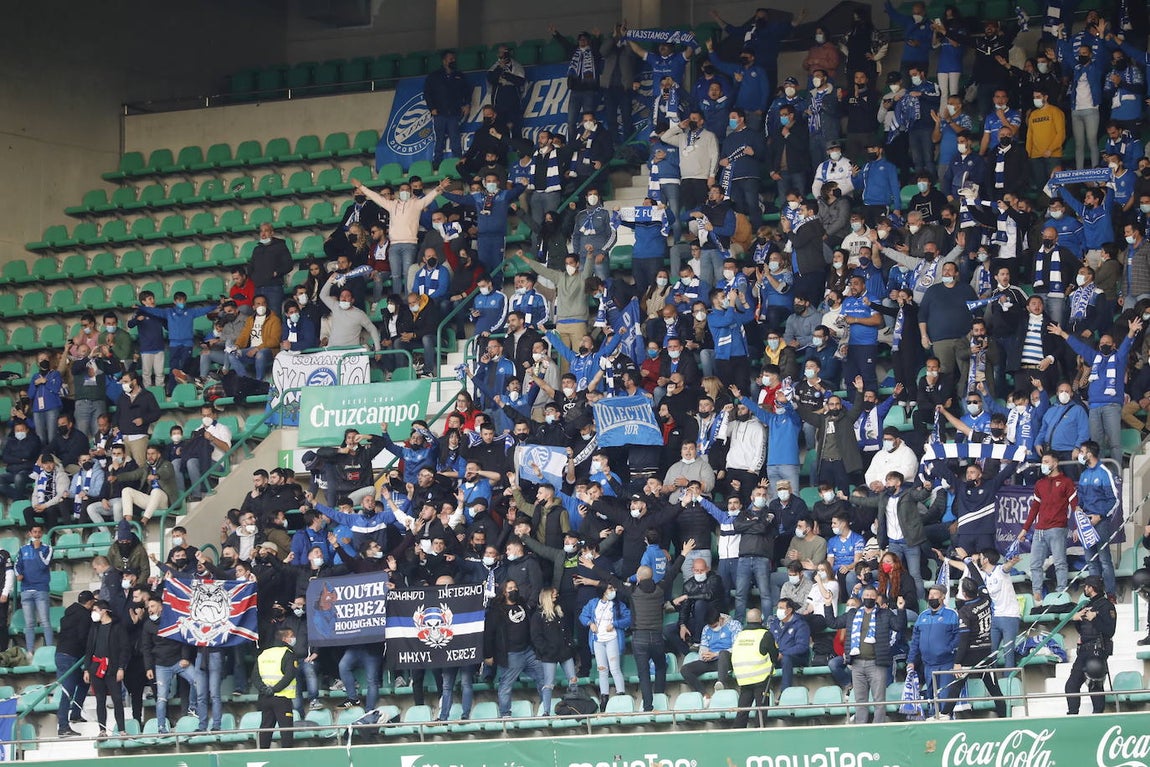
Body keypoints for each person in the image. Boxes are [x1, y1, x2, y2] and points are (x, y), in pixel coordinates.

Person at [822, 586, 905, 723]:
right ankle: (861, 726)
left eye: (872, 596)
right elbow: (833, 623)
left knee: (879, 700)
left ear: (876, 598)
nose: (869, 598)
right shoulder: (852, 614)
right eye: (866, 595)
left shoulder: (885, 614)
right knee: (860, 700)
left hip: (877, 663)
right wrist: (828, 604)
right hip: (857, 663)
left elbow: (899, 626)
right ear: (862, 597)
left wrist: (901, 609)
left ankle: (878, 726)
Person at [939, 578, 1008, 718]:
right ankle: (1004, 716)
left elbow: (964, 639)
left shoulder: (965, 611)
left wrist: (957, 662)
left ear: (964, 594)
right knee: (994, 688)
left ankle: (945, 714)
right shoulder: (986, 600)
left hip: (971, 654)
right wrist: (970, 565)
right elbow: (981, 581)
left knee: (957, 685)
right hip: (986, 652)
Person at [485, 580, 549, 718]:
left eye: (515, 587)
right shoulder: (496, 611)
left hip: (528, 651)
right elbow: (488, 634)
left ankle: (546, 708)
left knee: (544, 677)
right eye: (510, 588)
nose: (514, 590)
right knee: (506, 685)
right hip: (511, 654)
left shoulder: (522, 604)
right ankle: (505, 714)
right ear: (504, 592)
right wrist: (488, 655)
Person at [1018, 452, 1078, 600]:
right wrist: (1025, 529)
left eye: (1046, 461)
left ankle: (1061, 593)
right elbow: (1034, 508)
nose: (1043, 464)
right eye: (1042, 461)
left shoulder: (1066, 482)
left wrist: (1077, 527)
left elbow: (1075, 506)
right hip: (1039, 530)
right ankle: (1037, 594)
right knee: (1035, 564)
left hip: (1058, 529)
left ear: (1055, 464)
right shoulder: (1040, 483)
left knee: (1060, 563)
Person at [141, 594, 200, 733]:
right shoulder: (148, 625)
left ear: (161, 607)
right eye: (148, 607)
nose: (150, 609)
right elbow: (146, 648)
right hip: (161, 665)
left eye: (152, 606)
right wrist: (148, 668)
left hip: (179, 661)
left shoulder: (173, 619)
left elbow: (184, 639)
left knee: (197, 681)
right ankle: (161, 727)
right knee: (161, 698)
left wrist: (185, 657)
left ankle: (192, 708)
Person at [1065, 575, 1116, 715]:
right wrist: (1076, 619)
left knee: (1095, 685)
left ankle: (1097, 716)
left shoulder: (1106, 605)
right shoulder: (1086, 604)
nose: (1085, 589)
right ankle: (1072, 715)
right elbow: (1082, 629)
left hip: (1097, 650)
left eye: (1086, 586)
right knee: (1071, 685)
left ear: (1091, 588)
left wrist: (1095, 618)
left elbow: (1109, 631)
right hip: (1083, 650)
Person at [1077, 440, 1119, 600]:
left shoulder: (1104, 472)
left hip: (1101, 522)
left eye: (1082, 451)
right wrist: (1079, 514)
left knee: (1104, 559)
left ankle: (1111, 594)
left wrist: (1099, 516)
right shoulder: (1084, 474)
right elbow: (1080, 501)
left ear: (1090, 453)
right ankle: (1096, 596)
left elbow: (1114, 500)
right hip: (1086, 523)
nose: (1079, 454)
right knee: (1091, 561)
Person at [580, 581, 632, 708]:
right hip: (598, 640)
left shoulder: (618, 604)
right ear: (603, 591)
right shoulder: (593, 603)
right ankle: (604, 698)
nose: (613, 590)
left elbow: (629, 618)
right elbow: (583, 615)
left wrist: (615, 624)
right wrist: (590, 623)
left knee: (615, 669)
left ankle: (621, 694)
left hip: (612, 639)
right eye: (610, 588)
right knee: (602, 670)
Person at [907, 584, 959, 709]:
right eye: (930, 594)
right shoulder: (922, 616)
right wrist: (911, 661)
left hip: (946, 664)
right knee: (931, 697)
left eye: (935, 594)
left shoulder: (951, 614)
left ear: (942, 597)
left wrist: (947, 649)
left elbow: (958, 637)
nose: (931, 597)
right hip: (928, 665)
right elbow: (915, 641)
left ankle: (946, 717)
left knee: (944, 698)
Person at [84, 599, 129, 738]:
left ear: (103, 611)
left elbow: (125, 649)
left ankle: (121, 729)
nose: (93, 613)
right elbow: (89, 649)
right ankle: (102, 730)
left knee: (117, 699)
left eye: (95, 610)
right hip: (96, 667)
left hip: (113, 668)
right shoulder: (94, 627)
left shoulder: (117, 627)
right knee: (100, 699)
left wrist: (121, 667)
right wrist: (86, 669)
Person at [54, 590, 95, 737]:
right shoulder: (84, 616)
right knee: (67, 692)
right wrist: (90, 652)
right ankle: (63, 726)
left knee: (84, 682)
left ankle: (75, 714)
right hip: (71, 657)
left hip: (60, 654)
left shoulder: (68, 614)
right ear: (90, 602)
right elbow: (83, 637)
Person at [730, 607, 778, 729]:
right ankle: (759, 731)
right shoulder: (764, 634)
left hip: (743, 678)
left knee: (742, 709)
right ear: (761, 619)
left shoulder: (740, 635)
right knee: (761, 709)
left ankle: (737, 731)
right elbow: (774, 654)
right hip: (761, 677)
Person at [424, 50, 471, 172]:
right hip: (439, 113)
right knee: (439, 139)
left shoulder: (459, 75)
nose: (453, 61)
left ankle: (459, 161)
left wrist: (467, 104)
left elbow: (467, 91)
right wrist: (432, 108)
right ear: (444, 61)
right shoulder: (434, 76)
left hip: (454, 113)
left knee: (455, 139)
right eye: (450, 59)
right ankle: (437, 162)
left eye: (454, 59)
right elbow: (427, 93)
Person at [680, 607, 741, 698]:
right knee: (685, 669)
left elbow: (737, 647)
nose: (713, 628)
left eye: (715, 626)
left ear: (720, 619)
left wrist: (716, 654)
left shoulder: (734, 625)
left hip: (728, 659)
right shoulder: (706, 629)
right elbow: (703, 647)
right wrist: (704, 655)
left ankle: (721, 684)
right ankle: (704, 694)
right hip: (712, 661)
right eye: (710, 627)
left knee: (723, 654)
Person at [256, 628, 298, 749]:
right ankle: (287, 756)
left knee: (266, 728)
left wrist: (264, 689)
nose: (293, 638)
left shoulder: (264, 653)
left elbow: (255, 676)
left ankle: (262, 753)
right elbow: (289, 675)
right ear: (284, 639)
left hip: (265, 697)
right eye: (291, 636)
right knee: (286, 729)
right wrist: (274, 689)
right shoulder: (288, 653)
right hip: (282, 698)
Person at [15, 523, 54, 649]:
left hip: (41, 589)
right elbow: (17, 565)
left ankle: (49, 649)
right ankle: (30, 651)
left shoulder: (47, 548)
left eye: (39, 532)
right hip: (26, 590)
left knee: (45, 621)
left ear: (42, 534)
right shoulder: (23, 549)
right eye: (34, 532)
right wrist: (19, 574)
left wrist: (37, 550)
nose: (36, 535)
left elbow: (44, 565)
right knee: (29, 624)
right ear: (30, 533)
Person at [250, 222, 294, 315]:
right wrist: (255, 278)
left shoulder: (280, 246)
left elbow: (289, 265)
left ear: (272, 233)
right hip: (259, 288)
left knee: (274, 315)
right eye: (261, 231)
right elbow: (251, 267)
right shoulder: (257, 249)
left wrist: (276, 273)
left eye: (266, 231)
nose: (263, 234)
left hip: (274, 287)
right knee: (260, 316)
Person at [768, 597, 810, 689]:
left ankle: (785, 691)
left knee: (786, 659)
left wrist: (783, 653)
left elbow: (802, 646)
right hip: (777, 656)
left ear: (789, 610)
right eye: (778, 608)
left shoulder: (800, 624)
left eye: (781, 608)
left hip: (797, 658)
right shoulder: (774, 624)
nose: (778, 610)